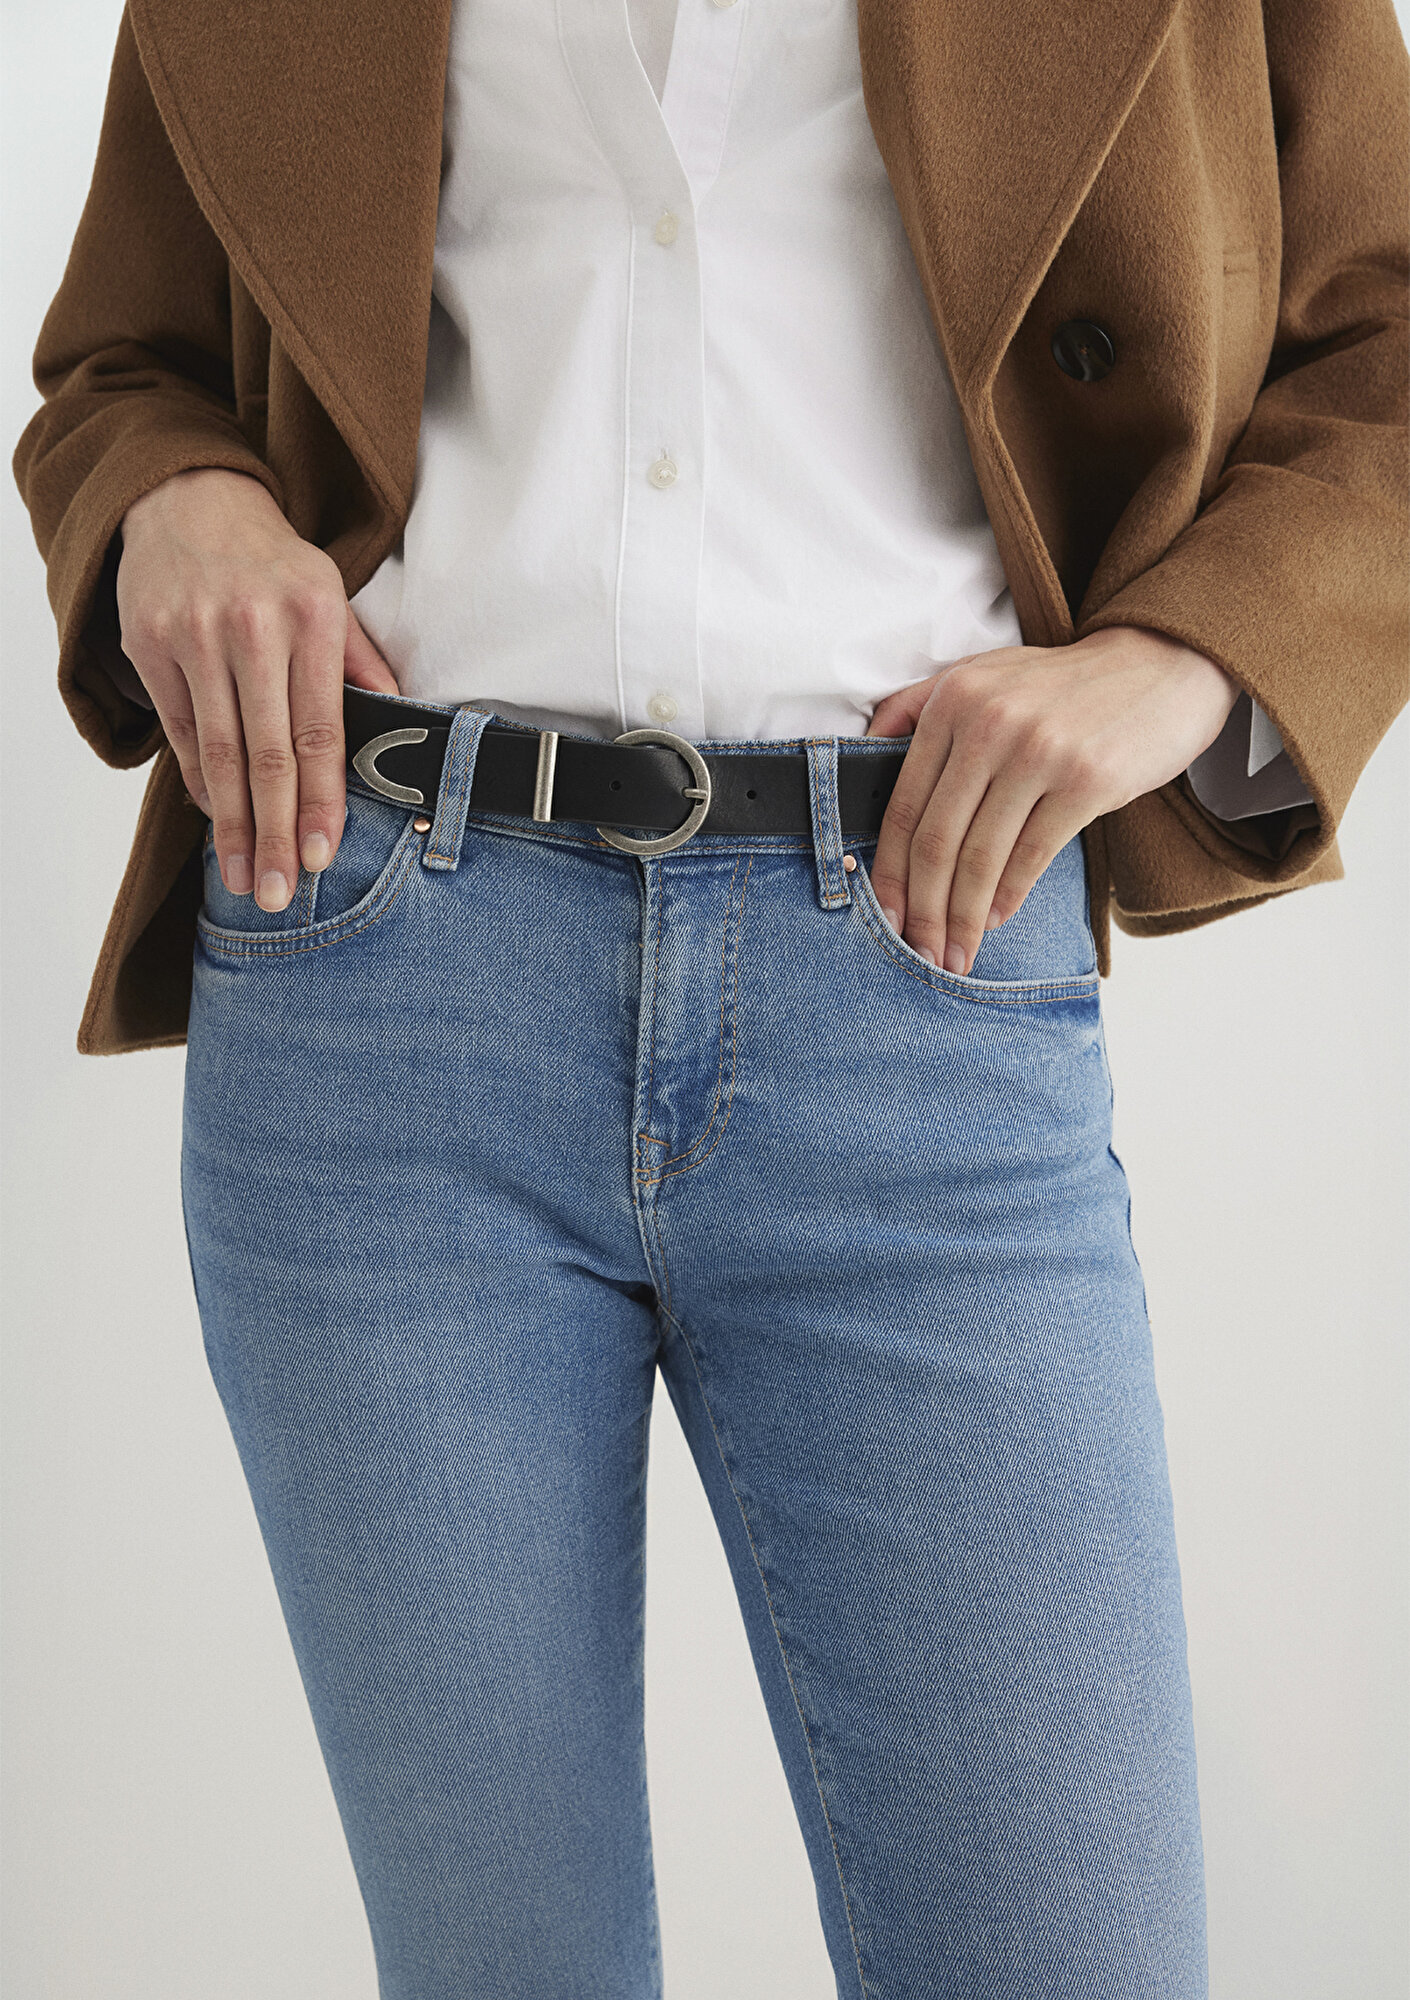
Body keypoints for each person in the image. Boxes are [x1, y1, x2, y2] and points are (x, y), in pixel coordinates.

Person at [13, 0, 1406, 1993]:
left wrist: (1189, 656)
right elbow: (123, 359)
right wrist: (178, 501)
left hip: (922, 956)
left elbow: (1384, 332)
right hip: (379, 988)